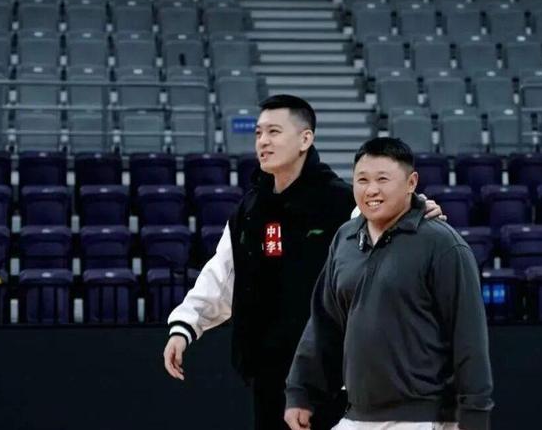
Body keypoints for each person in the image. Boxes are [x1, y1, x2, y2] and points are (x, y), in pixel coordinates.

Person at [163, 95, 445, 430]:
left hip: (330, 377)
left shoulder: (340, 202)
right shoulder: (249, 209)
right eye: (258, 133)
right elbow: (222, 274)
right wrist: (185, 325)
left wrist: (415, 211)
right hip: (267, 375)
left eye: (274, 132)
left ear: (305, 139)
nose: (263, 141)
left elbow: (389, 232)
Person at [284, 138, 493, 430]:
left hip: (422, 417)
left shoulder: (443, 245)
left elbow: (468, 339)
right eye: (362, 180)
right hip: (357, 414)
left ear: (411, 183)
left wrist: (474, 416)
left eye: (382, 179)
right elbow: (323, 324)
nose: (371, 190)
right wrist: (301, 392)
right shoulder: (345, 239)